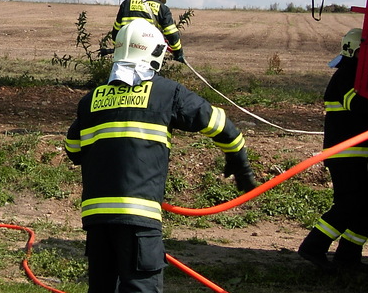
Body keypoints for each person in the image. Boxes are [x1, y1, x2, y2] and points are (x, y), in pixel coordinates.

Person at [65, 18, 258, 292]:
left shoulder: (90, 101)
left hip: (97, 220)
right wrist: (238, 160)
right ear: (155, 53)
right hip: (139, 220)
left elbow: (73, 150)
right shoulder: (168, 93)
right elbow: (218, 123)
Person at [298, 28, 368, 271]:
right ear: (357, 50)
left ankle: (348, 256)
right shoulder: (346, 74)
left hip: (359, 154)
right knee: (350, 203)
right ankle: (314, 246)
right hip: (345, 154)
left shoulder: (357, 74)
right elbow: (357, 104)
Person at [110, 0, 184, 62]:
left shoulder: (126, 3)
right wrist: (178, 53)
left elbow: (116, 31)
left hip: (123, 56)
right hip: (146, 57)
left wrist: (117, 48)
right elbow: (172, 34)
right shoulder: (162, 8)